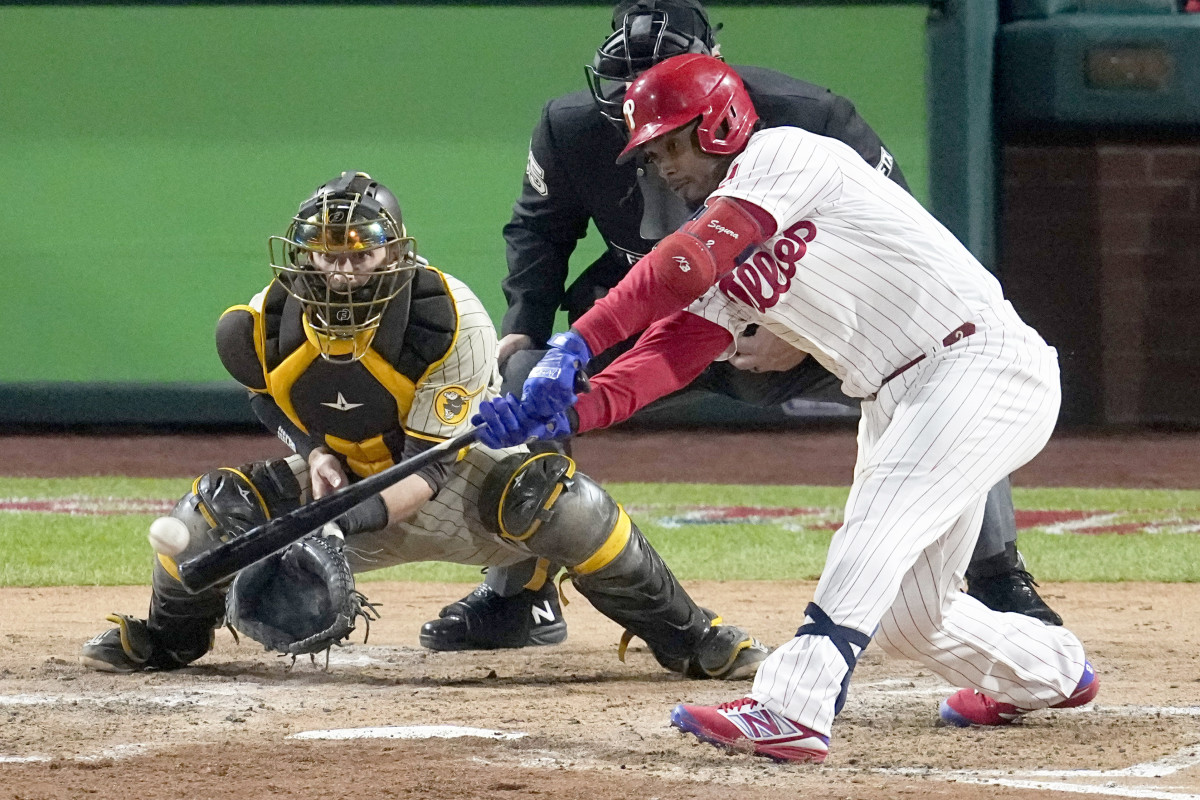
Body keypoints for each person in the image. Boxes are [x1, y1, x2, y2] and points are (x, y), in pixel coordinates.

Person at [473, 56, 1098, 763]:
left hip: (977, 362)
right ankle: (1047, 671)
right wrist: (567, 414)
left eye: (673, 143)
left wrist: (576, 341)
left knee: (877, 526)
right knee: (909, 617)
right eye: (653, 153)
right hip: (898, 394)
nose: (664, 165)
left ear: (720, 121)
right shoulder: (721, 229)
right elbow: (674, 348)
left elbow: (681, 268)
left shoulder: (787, 154)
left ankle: (792, 705)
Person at [429, 0, 1059, 654]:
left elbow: (891, 248)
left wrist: (790, 325)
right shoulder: (578, 133)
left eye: (672, 97)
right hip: (696, 305)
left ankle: (997, 579)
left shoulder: (801, 132)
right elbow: (641, 304)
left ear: (720, 94)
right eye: (634, 94)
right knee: (526, 375)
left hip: (827, 322)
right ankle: (520, 591)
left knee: (933, 400)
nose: (647, 114)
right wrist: (550, 377)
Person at [78, 171, 768, 683]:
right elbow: (276, 402)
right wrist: (315, 453)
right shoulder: (262, 322)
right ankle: (166, 639)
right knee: (206, 513)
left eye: (360, 254)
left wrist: (333, 527)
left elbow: (428, 469)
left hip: (452, 488)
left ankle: (689, 637)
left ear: (394, 252)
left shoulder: (446, 314)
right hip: (345, 481)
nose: (343, 272)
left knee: (559, 500)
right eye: (328, 255)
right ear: (303, 255)